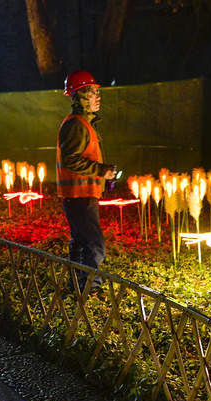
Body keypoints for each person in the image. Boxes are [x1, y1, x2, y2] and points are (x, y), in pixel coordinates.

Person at [56, 70, 117, 294]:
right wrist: (101, 170)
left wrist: (102, 172)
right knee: (94, 246)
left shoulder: (82, 123)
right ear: (79, 95)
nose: (97, 96)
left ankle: (78, 286)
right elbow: (70, 159)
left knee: (82, 243)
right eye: (92, 92)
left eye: (97, 92)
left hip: (80, 195)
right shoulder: (76, 125)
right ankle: (89, 290)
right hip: (79, 196)